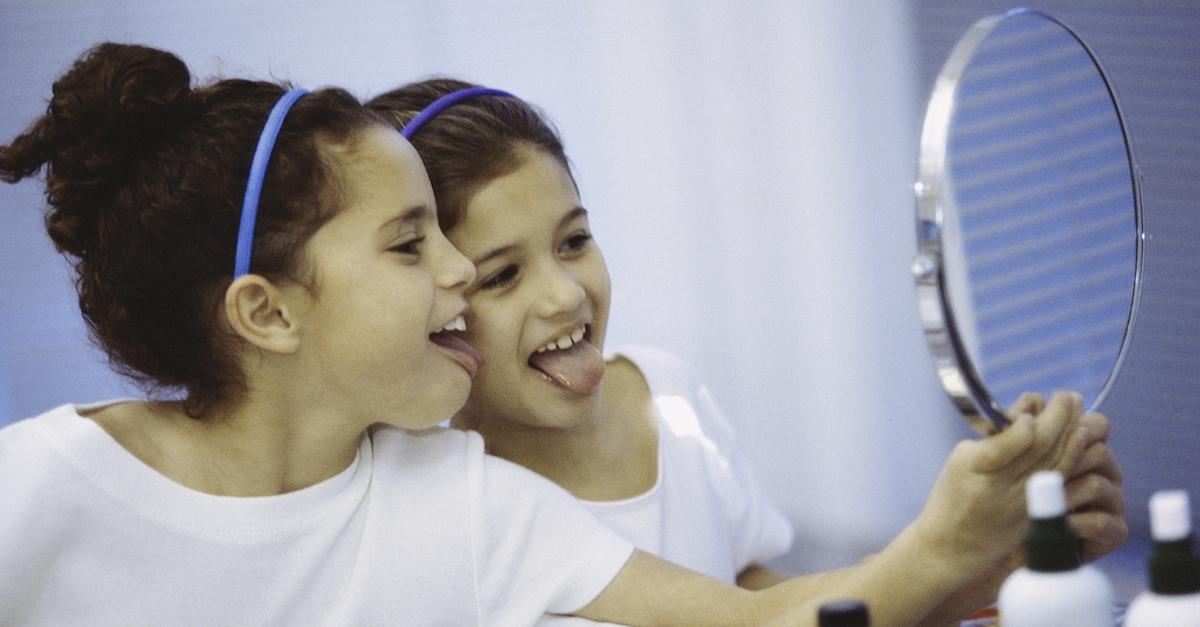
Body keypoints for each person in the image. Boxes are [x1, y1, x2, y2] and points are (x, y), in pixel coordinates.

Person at [0, 42, 809, 627]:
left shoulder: (458, 496)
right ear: (268, 313)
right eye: (411, 243)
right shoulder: (31, 489)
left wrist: (941, 547)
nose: (458, 272)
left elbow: (751, 614)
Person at [367, 78, 1128, 625]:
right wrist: (945, 548)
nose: (564, 294)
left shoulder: (667, 393)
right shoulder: (450, 504)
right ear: (432, 309)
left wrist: (1002, 568)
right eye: (502, 275)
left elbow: (756, 595)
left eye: (575, 239)